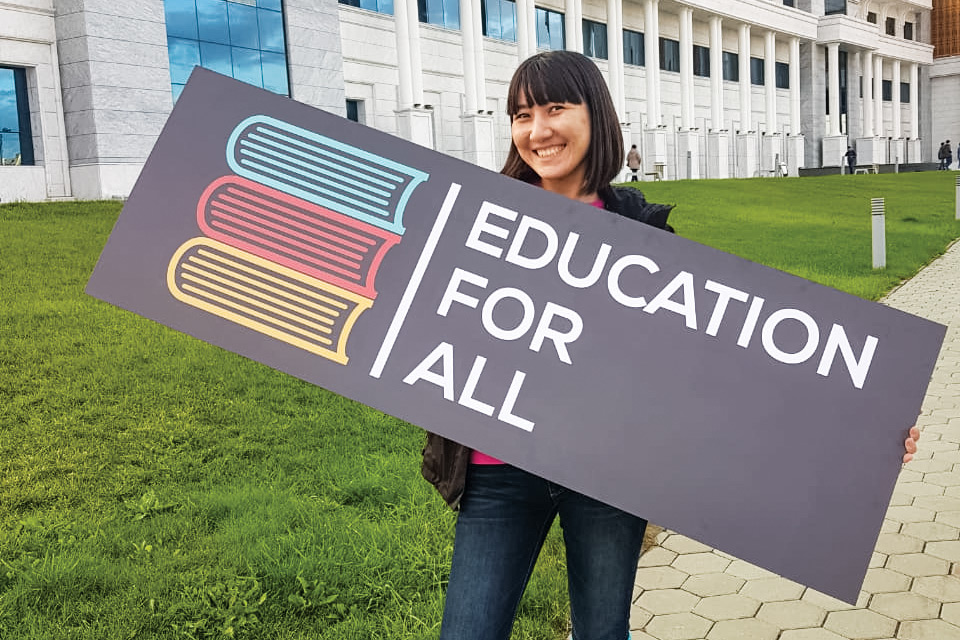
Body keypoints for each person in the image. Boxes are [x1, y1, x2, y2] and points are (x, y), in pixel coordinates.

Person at [421, 50, 922, 640]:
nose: (538, 131)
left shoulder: (645, 236)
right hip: (498, 468)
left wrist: (867, 426)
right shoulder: (482, 219)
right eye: (522, 114)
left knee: (604, 632)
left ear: (595, 116)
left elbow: (728, 366)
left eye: (556, 108)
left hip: (608, 473)